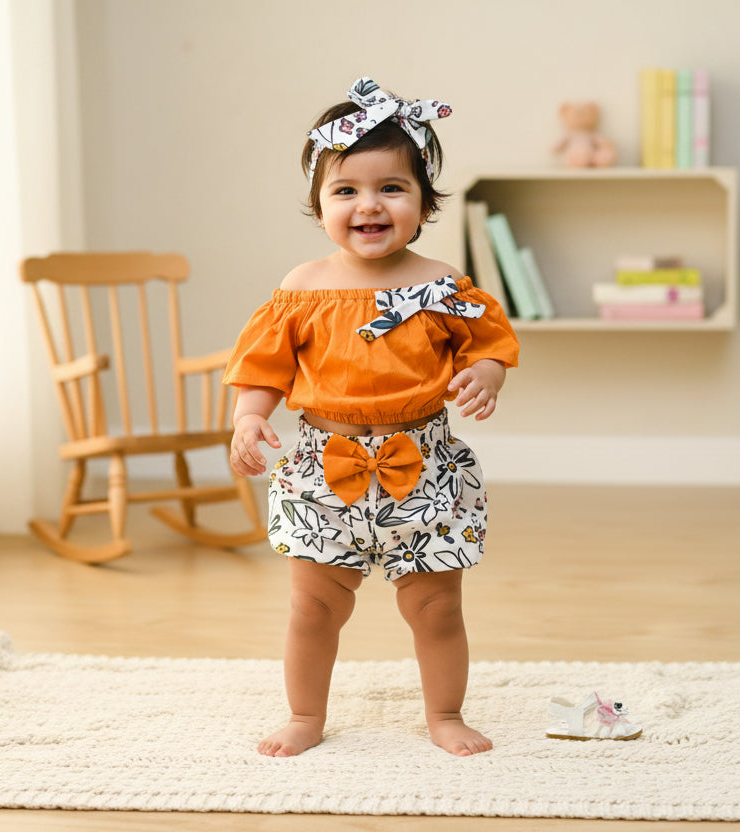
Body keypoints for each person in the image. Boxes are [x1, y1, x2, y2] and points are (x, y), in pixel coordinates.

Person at [223, 77, 519, 758]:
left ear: (424, 200)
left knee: (436, 607)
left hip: (426, 469)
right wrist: (247, 418)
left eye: (392, 187)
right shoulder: (301, 288)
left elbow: (489, 343)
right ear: (319, 202)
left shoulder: (442, 284)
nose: (369, 204)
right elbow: (263, 366)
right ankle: (305, 716)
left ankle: (444, 714)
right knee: (313, 607)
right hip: (322, 469)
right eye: (346, 190)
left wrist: (484, 374)